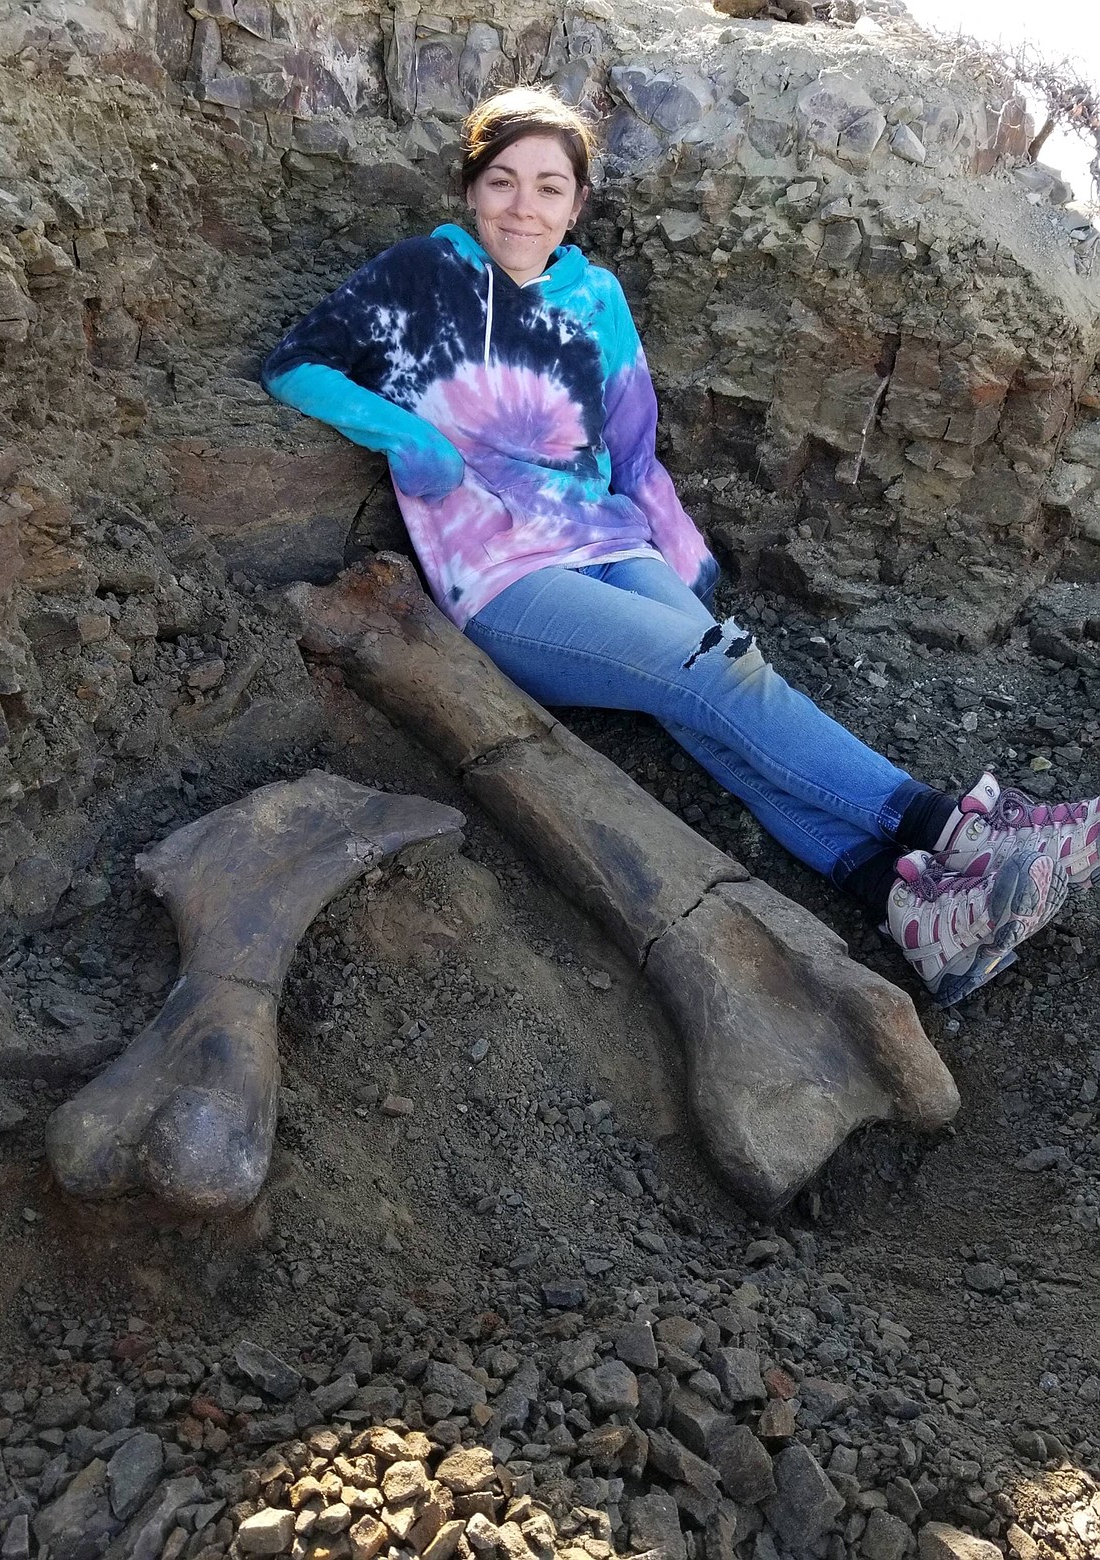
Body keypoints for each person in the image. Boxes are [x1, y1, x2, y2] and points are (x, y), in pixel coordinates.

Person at [262, 86, 1100, 1007]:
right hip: (505, 575)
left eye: (547, 188)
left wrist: (677, 547)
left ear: (576, 205)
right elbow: (294, 359)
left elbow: (631, 444)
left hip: (610, 542)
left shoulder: (596, 295)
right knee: (716, 675)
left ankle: (916, 913)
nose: (522, 206)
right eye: (502, 182)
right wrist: (407, 439)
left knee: (715, 700)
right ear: (472, 190)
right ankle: (954, 835)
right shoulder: (422, 275)